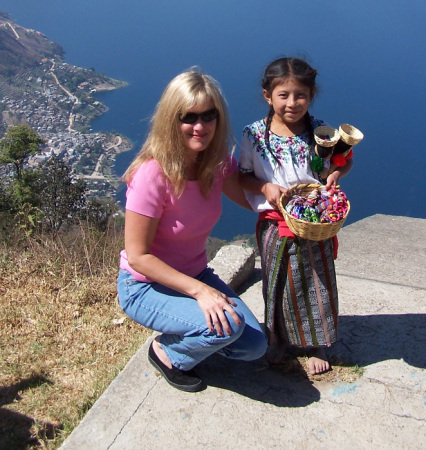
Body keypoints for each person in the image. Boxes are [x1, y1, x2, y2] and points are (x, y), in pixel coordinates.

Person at [117, 70, 267, 392]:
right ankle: (166, 353)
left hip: (194, 273)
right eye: (189, 117)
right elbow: (138, 257)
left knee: (253, 346)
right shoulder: (151, 175)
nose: (200, 126)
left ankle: (197, 331)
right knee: (227, 328)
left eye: (209, 115)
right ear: (173, 119)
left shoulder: (215, 163)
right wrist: (201, 293)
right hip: (145, 286)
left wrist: (291, 198)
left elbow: (251, 200)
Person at [238, 57, 353, 375]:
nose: (292, 103)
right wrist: (264, 187)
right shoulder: (254, 135)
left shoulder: (321, 133)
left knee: (317, 281)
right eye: (283, 95)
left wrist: (335, 175)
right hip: (275, 223)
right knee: (277, 282)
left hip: (314, 220)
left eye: (300, 95)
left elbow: (342, 162)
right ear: (267, 96)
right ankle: (279, 339)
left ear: (312, 94)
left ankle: (318, 343)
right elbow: (243, 176)